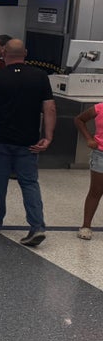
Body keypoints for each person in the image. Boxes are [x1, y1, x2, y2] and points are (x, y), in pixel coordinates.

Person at [0, 39, 56, 247]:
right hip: (29, 140)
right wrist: (48, 136)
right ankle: (37, 226)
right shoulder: (40, 77)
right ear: (25, 53)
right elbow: (50, 108)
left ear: (4, 53)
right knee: (29, 182)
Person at [73, 102, 103, 240]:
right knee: (96, 191)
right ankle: (86, 226)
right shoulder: (99, 108)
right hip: (101, 154)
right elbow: (79, 119)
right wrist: (89, 138)